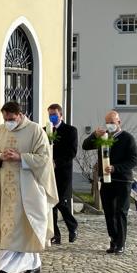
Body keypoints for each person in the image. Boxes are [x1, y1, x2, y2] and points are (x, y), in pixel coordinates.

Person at [0, 101, 57, 273]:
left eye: (11, 119)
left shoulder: (35, 130)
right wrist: (0, 156)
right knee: (18, 230)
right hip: (6, 189)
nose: (8, 122)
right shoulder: (0, 131)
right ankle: (34, 264)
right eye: (5, 119)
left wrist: (21, 157)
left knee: (20, 230)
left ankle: (2, 270)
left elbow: (44, 158)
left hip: (27, 190)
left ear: (20, 115)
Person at [81, 110, 137, 254]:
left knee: (121, 211)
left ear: (119, 122)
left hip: (122, 180)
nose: (109, 125)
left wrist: (116, 168)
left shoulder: (127, 138)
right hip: (106, 180)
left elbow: (134, 160)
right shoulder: (104, 137)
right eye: (107, 122)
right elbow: (85, 146)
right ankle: (113, 239)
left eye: (112, 122)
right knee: (109, 212)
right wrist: (94, 135)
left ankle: (121, 243)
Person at [46, 103, 79, 244]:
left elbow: (72, 152)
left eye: (54, 114)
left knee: (60, 201)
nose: (52, 117)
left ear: (61, 115)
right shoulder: (46, 130)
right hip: (48, 173)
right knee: (51, 203)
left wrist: (57, 162)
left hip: (63, 172)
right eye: (50, 114)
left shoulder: (70, 130)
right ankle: (55, 234)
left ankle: (73, 226)